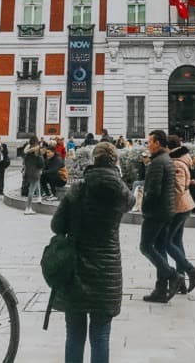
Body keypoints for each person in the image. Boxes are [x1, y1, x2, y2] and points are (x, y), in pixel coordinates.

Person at [50, 141, 134, 363]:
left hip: (76, 268)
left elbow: (57, 226)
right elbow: (131, 202)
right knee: (101, 334)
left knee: (75, 335)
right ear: (115, 161)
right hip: (107, 272)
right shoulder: (121, 192)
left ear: (93, 160)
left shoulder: (78, 190)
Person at [139, 129, 184, 302]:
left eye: (149, 141)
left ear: (158, 142)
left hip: (156, 212)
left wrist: (145, 208)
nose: (148, 144)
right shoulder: (167, 159)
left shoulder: (157, 162)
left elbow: (153, 191)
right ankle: (161, 289)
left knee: (146, 246)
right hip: (167, 210)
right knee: (159, 248)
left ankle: (173, 276)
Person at [165, 137, 195, 292]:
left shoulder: (176, 163)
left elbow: (178, 188)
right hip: (185, 205)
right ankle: (181, 283)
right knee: (177, 242)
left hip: (178, 207)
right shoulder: (184, 159)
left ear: (169, 147)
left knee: (166, 242)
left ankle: (190, 270)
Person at [23, 136, 45, 215]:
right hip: (35, 171)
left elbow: (25, 159)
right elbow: (41, 162)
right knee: (31, 190)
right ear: (36, 142)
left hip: (29, 171)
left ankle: (39, 197)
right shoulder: (37, 150)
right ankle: (28, 208)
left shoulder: (27, 152)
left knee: (35, 185)